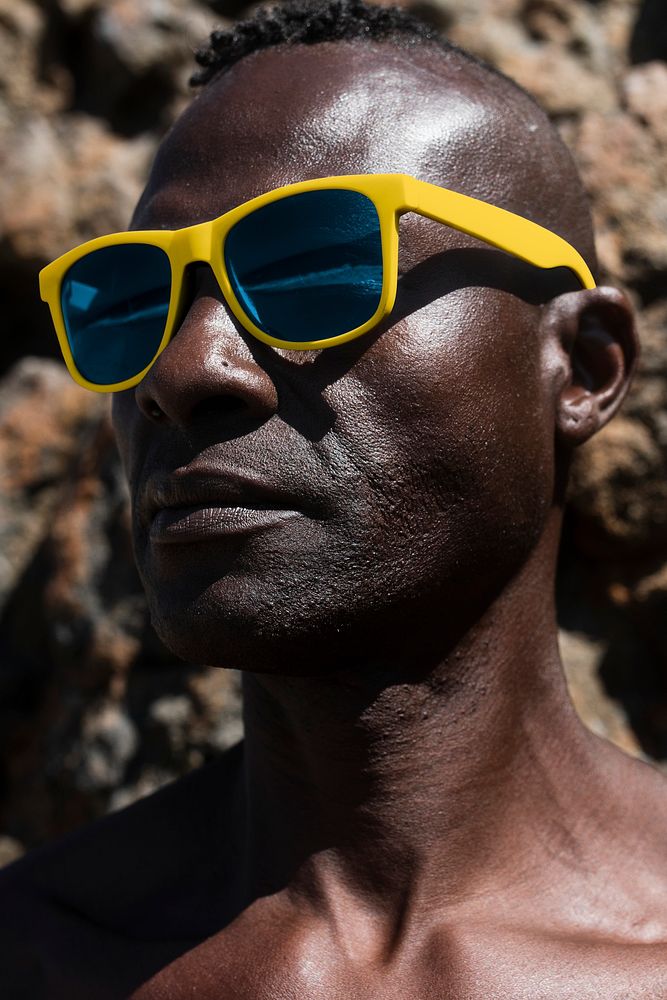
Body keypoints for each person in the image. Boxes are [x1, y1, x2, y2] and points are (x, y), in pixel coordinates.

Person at [2, 1, 666, 996]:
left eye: (314, 266)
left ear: (578, 365)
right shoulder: (38, 954)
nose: (184, 370)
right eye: (131, 302)